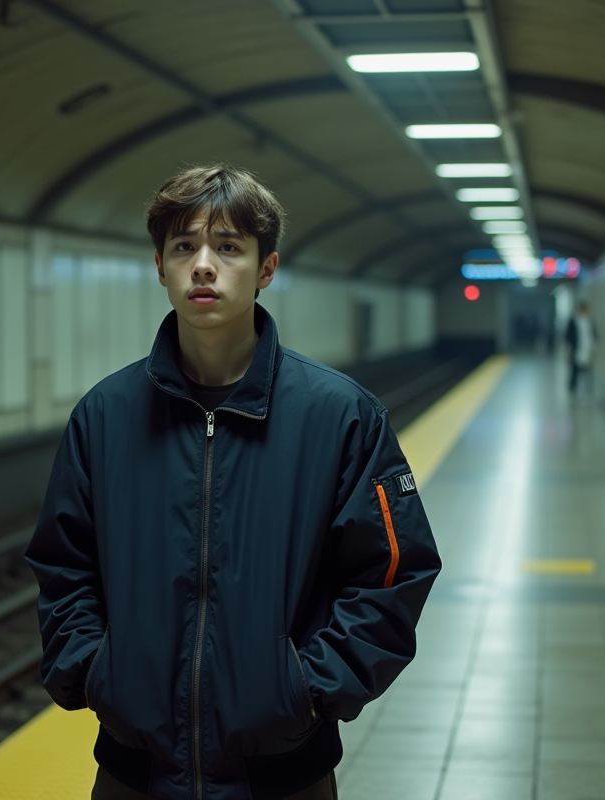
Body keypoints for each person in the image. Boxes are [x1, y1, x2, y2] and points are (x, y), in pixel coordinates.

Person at [26, 164, 441, 800]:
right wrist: (93, 671)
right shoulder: (104, 417)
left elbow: (393, 571)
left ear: (266, 268)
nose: (202, 266)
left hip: (286, 776)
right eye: (183, 246)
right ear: (159, 267)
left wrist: (306, 690)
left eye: (228, 247)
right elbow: (64, 564)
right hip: (133, 774)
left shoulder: (341, 417)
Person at [564, 300, 598, 394]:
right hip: (576, 349)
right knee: (575, 369)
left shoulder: (590, 321)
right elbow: (568, 336)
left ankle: (585, 387)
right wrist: (567, 349)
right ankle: (573, 387)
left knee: (586, 369)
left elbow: (594, 335)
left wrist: (594, 346)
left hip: (587, 349)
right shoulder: (573, 321)